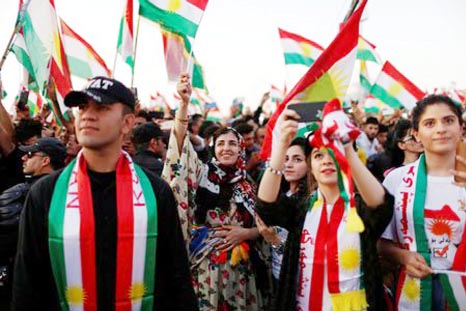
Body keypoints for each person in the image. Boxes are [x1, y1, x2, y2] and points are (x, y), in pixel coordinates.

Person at [12, 76, 197, 311]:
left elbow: (176, 278)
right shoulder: (45, 193)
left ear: (127, 123)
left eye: (101, 107)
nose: (88, 115)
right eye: (82, 107)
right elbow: (27, 282)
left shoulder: (155, 192)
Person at [256, 106, 393, 311]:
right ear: (311, 165)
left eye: (334, 153)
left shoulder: (360, 208)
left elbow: (381, 205)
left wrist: (346, 146)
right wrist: (282, 144)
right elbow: (266, 205)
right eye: (319, 156)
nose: (327, 160)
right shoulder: (301, 208)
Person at [162, 73, 266, 311]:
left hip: (241, 271)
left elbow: (266, 227)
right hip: (205, 267)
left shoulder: (249, 183)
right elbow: (178, 147)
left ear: (241, 149)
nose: (226, 148)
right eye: (221, 143)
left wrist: (246, 233)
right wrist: (184, 104)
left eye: (232, 143)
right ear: (213, 148)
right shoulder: (200, 173)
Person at [378, 95, 466, 310]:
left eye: (448, 120)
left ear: (461, 127)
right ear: (416, 134)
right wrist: (403, 256)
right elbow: (380, 241)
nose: (440, 129)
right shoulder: (397, 180)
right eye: (429, 123)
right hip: (415, 289)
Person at [0, 137, 66, 309]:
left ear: (45, 160)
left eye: (29, 154)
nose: (23, 158)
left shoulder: (24, 193)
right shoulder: (71, 193)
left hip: (24, 287)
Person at [255, 137, 310, 287]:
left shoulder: (311, 201)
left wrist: (276, 242)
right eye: (285, 159)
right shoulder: (281, 195)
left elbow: (305, 252)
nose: (289, 165)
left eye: (297, 159)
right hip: (274, 274)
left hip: (300, 282)